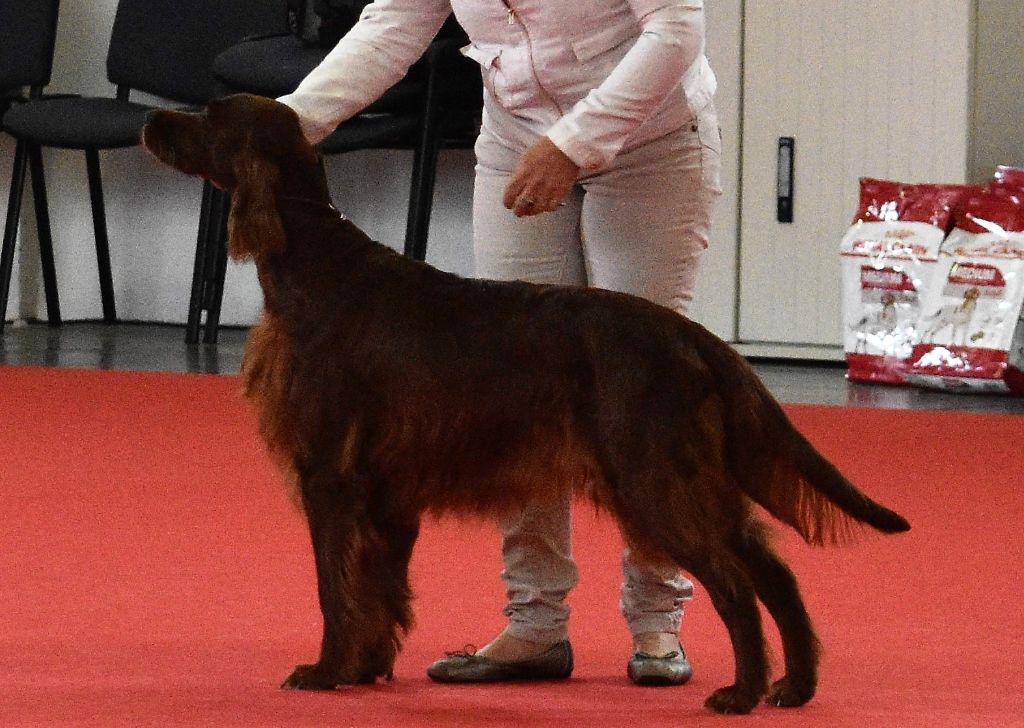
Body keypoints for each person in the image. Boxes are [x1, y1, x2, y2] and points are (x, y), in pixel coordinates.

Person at [277, 0, 722, 686]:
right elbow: (392, 26)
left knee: (643, 401)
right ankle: (536, 624)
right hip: (517, 143)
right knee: (511, 395)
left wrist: (575, 144)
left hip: (652, 145)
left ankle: (657, 621)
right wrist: (290, 125)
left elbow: (677, 31)